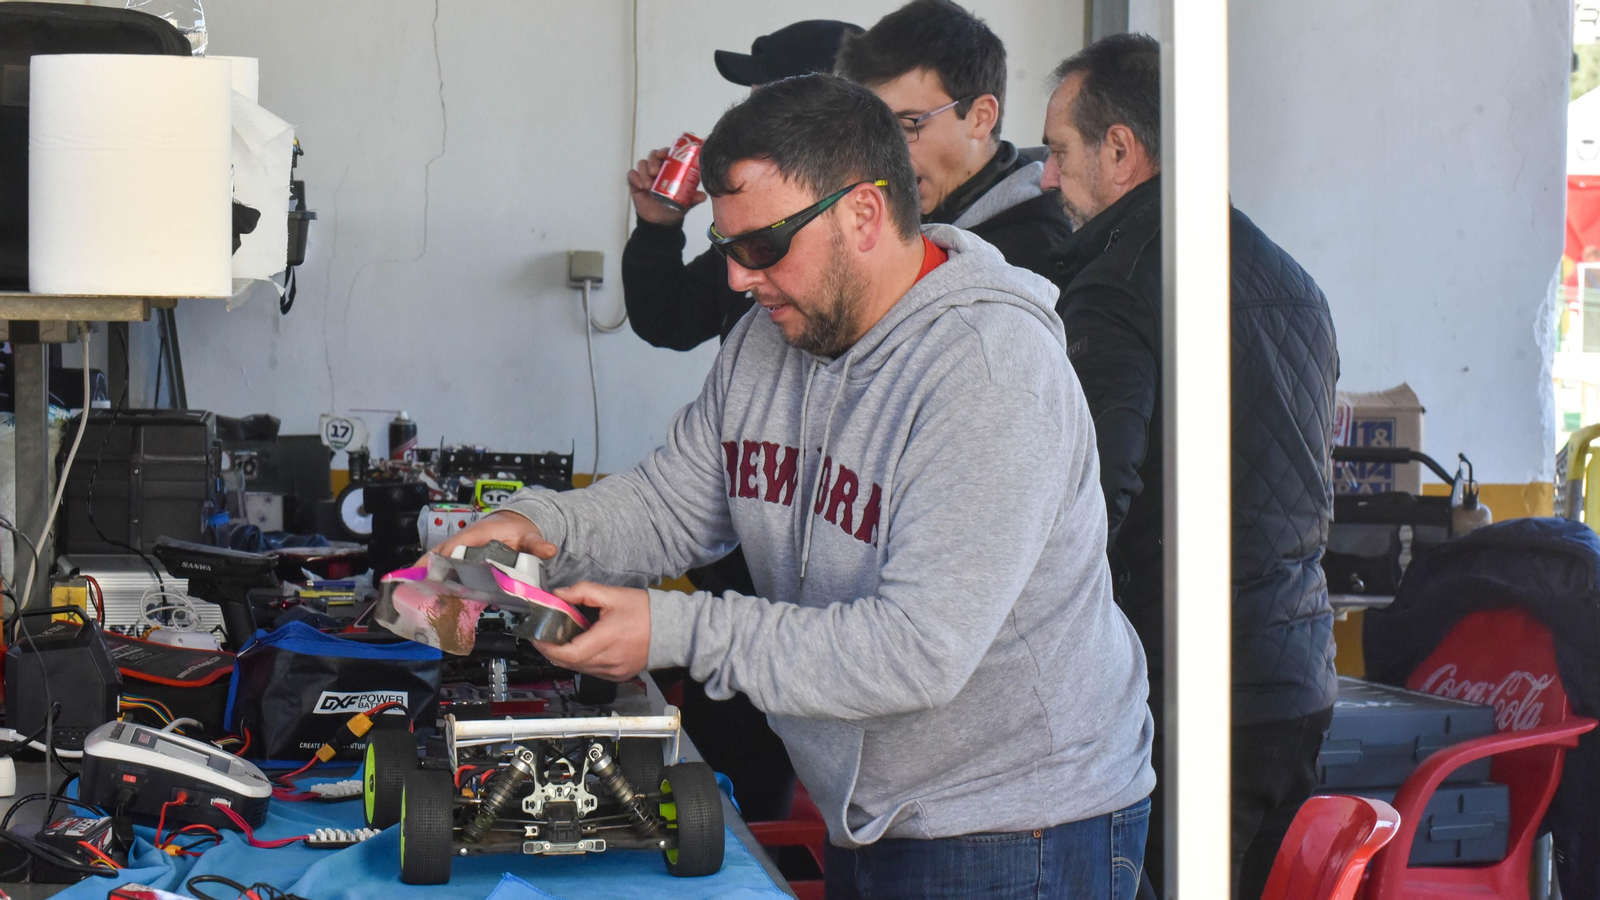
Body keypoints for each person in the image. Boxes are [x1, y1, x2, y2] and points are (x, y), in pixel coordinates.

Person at [442, 74, 1154, 900]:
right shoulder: (768, 341)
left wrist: (672, 629)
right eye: (727, 245)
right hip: (871, 808)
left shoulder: (991, 371)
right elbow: (670, 505)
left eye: (763, 245)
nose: (738, 278)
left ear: (863, 214)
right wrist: (540, 526)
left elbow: (916, 653)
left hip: (1019, 826)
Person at [1040, 33, 1339, 900]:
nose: (1048, 178)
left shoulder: (1122, 279)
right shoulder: (1291, 279)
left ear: (1120, 150)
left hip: (1189, 694)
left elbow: (1089, 498)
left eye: (1058, 152)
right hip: (1294, 677)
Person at [620, 20, 862, 821]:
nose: (747, 279)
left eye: (763, 94)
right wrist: (658, 228)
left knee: (795, 802)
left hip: (828, 614)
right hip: (740, 576)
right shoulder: (754, 260)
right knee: (723, 809)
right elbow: (668, 318)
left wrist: (668, 625)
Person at [622, 20, 862, 352]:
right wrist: (657, 228)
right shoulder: (754, 226)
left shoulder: (890, 236)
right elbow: (669, 322)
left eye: (766, 110)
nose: (739, 279)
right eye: (751, 105)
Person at [835, 0, 1072, 281]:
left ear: (980, 117)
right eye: (874, 130)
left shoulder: (1033, 257)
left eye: (907, 126)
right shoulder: (889, 216)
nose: (883, 156)